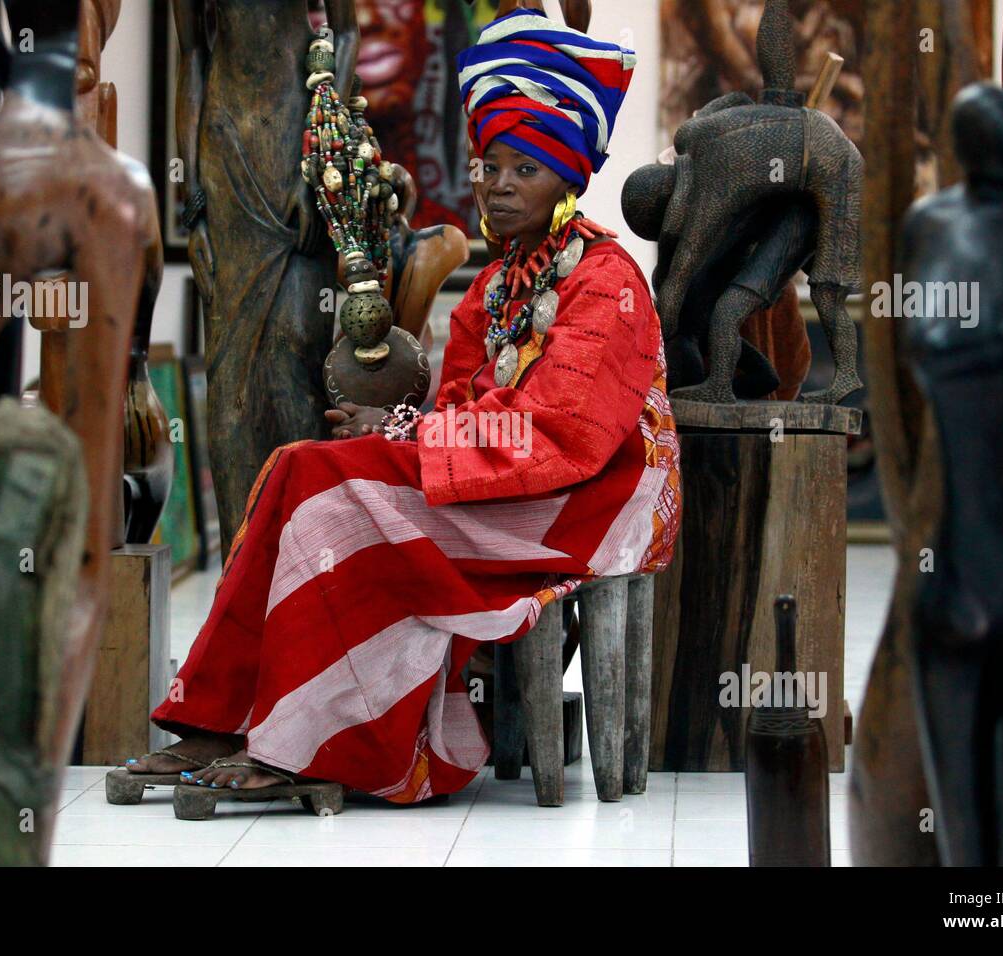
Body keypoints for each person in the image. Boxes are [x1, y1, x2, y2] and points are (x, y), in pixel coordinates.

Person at [124, 8, 680, 804]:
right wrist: (396, 431)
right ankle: (220, 716)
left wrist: (416, 441)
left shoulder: (605, 281)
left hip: (583, 503)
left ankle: (312, 747)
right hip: (500, 479)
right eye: (489, 167)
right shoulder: (492, 288)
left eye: (523, 168)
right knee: (297, 467)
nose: (497, 185)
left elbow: (565, 435)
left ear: (566, 175)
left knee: (336, 505)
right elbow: (456, 402)